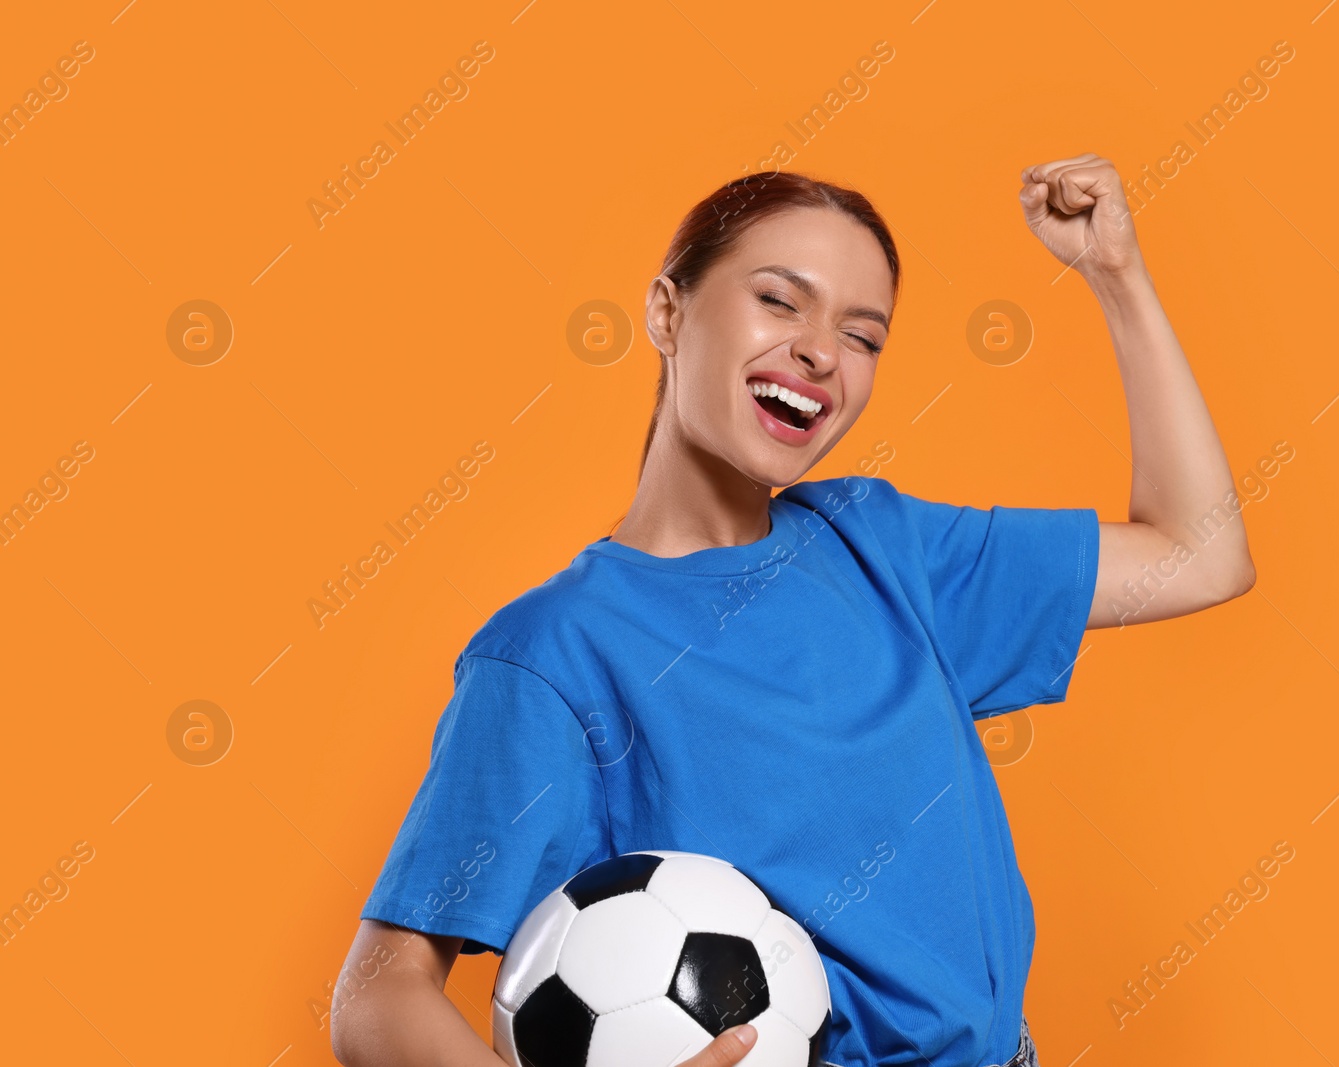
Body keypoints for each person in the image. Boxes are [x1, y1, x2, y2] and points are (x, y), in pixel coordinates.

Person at [330, 159, 1255, 1067]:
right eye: (780, 300)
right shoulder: (553, 655)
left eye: (864, 334)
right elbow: (378, 996)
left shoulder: (885, 547)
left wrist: (1117, 277)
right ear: (667, 311)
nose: (821, 350)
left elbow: (1200, 551)